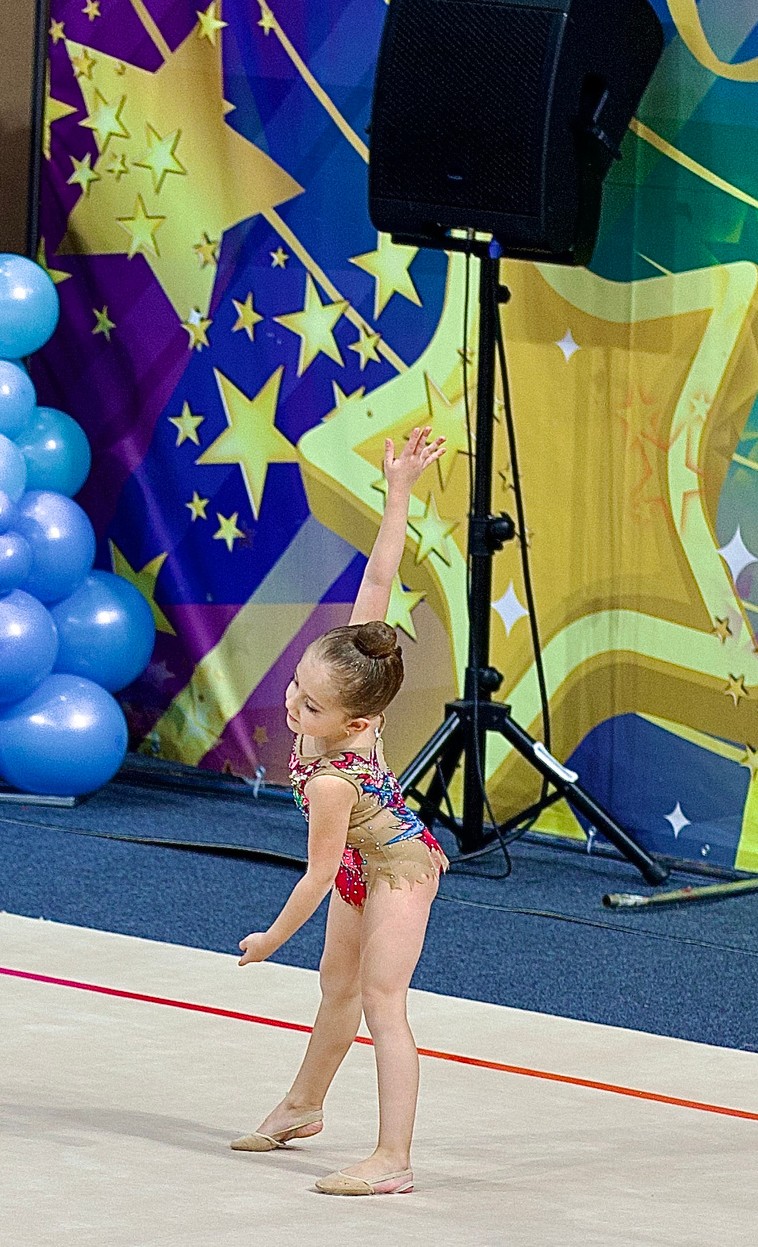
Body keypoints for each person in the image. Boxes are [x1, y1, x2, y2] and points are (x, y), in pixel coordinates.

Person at [231, 425, 450, 1197]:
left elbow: (317, 873)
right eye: (295, 684)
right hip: (366, 860)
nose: (293, 704)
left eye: (312, 704)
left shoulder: (333, 781)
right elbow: (379, 589)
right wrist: (398, 493)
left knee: (384, 1002)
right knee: (338, 988)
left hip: (397, 868)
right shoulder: (357, 684)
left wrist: (268, 940)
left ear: (360, 725)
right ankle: (302, 1106)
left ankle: (394, 1156)